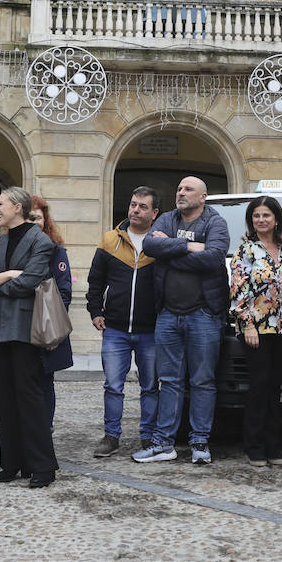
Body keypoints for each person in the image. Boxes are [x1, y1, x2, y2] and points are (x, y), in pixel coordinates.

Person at [133, 176, 231, 465]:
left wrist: (171, 251)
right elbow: (150, 246)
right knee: (170, 381)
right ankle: (164, 444)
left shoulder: (216, 222)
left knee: (202, 380)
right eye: (178, 188)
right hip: (168, 314)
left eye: (188, 189)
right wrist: (190, 246)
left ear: (203, 197)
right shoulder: (166, 218)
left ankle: (200, 443)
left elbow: (214, 258)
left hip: (204, 314)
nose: (181, 193)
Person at [0, 186, 60, 488]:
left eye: (1, 204)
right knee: (4, 398)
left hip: (26, 330)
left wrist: (2, 282)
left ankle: (42, 467)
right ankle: (11, 463)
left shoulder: (41, 241)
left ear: (17, 208)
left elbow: (29, 282)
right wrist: (8, 276)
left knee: (30, 398)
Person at [86, 186, 161, 457]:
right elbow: (95, 280)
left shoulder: (160, 242)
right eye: (132, 204)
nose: (135, 210)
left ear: (154, 213)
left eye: (142, 207)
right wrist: (95, 310)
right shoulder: (110, 240)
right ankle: (111, 436)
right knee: (113, 386)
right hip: (115, 328)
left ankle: (148, 435)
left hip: (151, 330)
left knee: (150, 386)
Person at [229, 195, 282, 467]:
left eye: (266, 215)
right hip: (256, 329)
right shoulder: (246, 250)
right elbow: (237, 290)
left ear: (276, 219)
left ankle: (273, 444)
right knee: (259, 385)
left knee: (275, 387)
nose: (261, 220)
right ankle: (254, 445)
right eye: (256, 216)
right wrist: (248, 325)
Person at [29, 196, 74, 427]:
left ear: (45, 220)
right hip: (20, 328)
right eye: (28, 217)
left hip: (45, 328)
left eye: (36, 217)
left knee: (44, 382)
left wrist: (53, 331)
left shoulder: (56, 251)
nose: (32, 222)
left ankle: (44, 430)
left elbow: (63, 293)